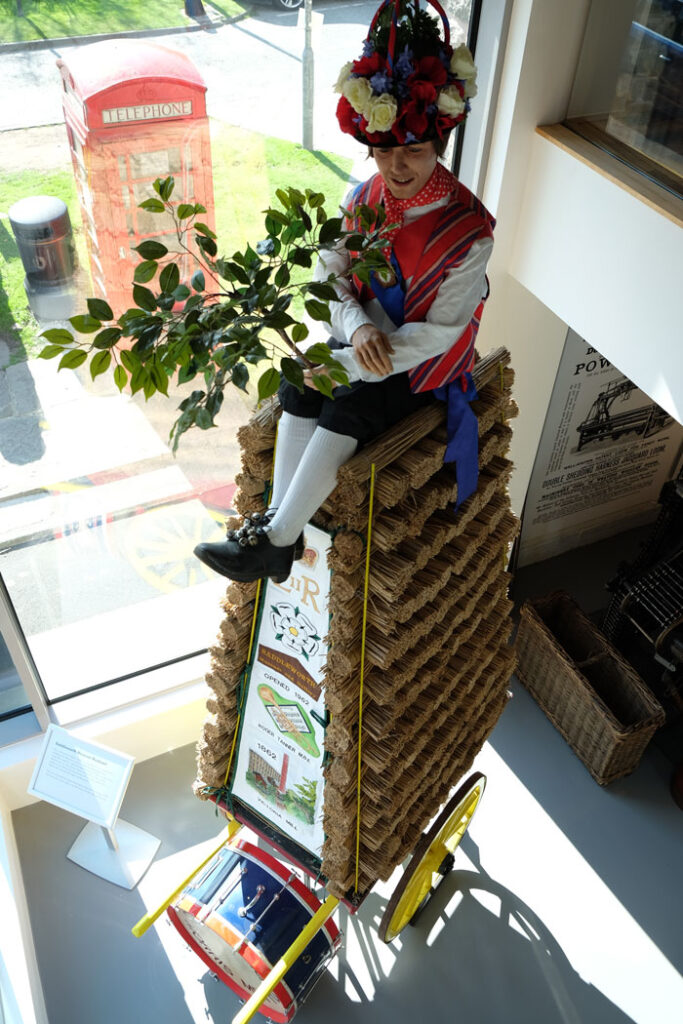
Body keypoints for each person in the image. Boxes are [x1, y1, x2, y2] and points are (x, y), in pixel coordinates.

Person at [195, 0, 495, 584]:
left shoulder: (467, 229)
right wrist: (353, 330)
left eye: (412, 150)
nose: (397, 165)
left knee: (348, 402)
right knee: (297, 381)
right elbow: (329, 274)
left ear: (440, 141)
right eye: (384, 151)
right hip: (356, 343)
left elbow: (439, 333)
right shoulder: (360, 201)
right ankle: (275, 534)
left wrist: (358, 361)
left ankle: (274, 539)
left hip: (415, 369)